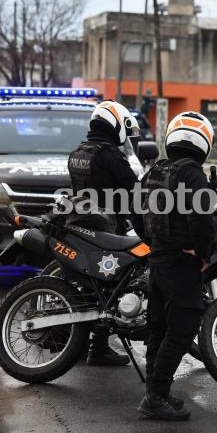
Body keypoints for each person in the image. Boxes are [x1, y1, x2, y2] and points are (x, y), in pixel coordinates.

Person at [135, 111, 217, 421]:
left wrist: (156, 242)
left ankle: (154, 392)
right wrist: (202, 253)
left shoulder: (154, 171)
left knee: (158, 327)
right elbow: (201, 221)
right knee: (183, 327)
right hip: (181, 263)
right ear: (204, 142)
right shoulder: (192, 173)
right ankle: (156, 396)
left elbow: (137, 216)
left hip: (158, 262)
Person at [67, 100, 140, 366]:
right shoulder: (109, 154)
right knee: (114, 286)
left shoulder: (79, 151)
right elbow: (133, 189)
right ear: (115, 124)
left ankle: (87, 343)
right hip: (107, 226)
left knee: (96, 286)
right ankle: (98, 348)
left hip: (85, 224)